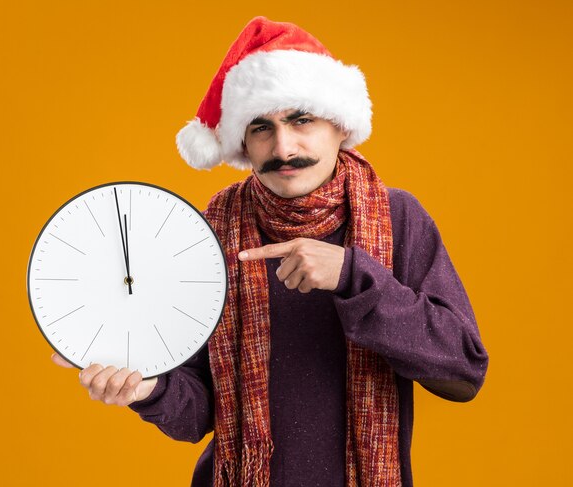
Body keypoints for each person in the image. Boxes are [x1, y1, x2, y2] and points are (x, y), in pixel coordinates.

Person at [52, 16, 488, 487]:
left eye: (302, 120)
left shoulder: (397, 218)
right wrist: (148, 388)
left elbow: (462, 371)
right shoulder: (212, 232)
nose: (284, 147)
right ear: (243, 142)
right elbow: (199, 412)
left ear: (340, 126)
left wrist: (354, 275)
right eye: (262, 128)